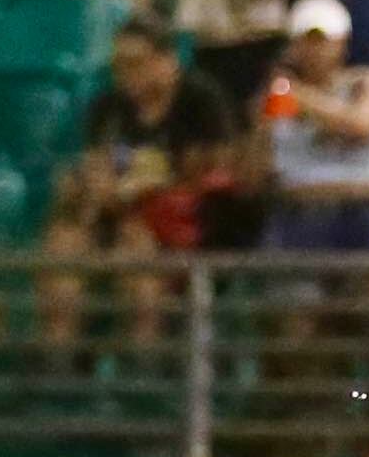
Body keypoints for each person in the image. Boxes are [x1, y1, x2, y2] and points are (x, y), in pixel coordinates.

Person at [40, 20, 242, 354]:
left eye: (135, 63)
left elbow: (210, 170)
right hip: (116, 216)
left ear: (167, 60)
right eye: (118, 64)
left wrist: (141, 188)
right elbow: (97, 168)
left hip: (183, 225)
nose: (124, 73)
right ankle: (58, 371)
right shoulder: (109, 108)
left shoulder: (201, 100)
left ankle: (140, 377)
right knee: (63, 245)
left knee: (137, 261)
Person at [260, 0, 369, 260]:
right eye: (307, 40)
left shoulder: (366, 82)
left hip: (365, 211)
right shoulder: (276, 97)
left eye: (323, 40)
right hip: (301, 214)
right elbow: (256, 171)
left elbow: (362, 124)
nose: (315, 49)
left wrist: (299, 97)